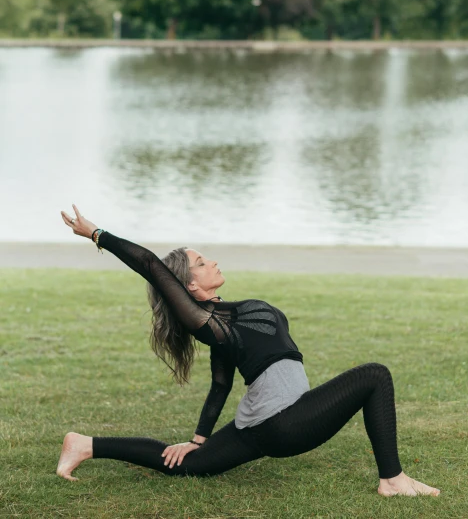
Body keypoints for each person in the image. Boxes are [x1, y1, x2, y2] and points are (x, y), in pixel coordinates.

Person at [56, 205, 440, 497]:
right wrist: (96, 233)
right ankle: (392, 479)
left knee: (188, 466)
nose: (213, 261)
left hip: (260, 426)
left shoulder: (224, 323)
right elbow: (148, 263)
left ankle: (85, 444)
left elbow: (220, 384)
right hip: (284, 423)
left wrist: (198, 440)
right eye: (202, 262)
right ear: (187, 287)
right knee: (374, 375)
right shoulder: (205, 321)